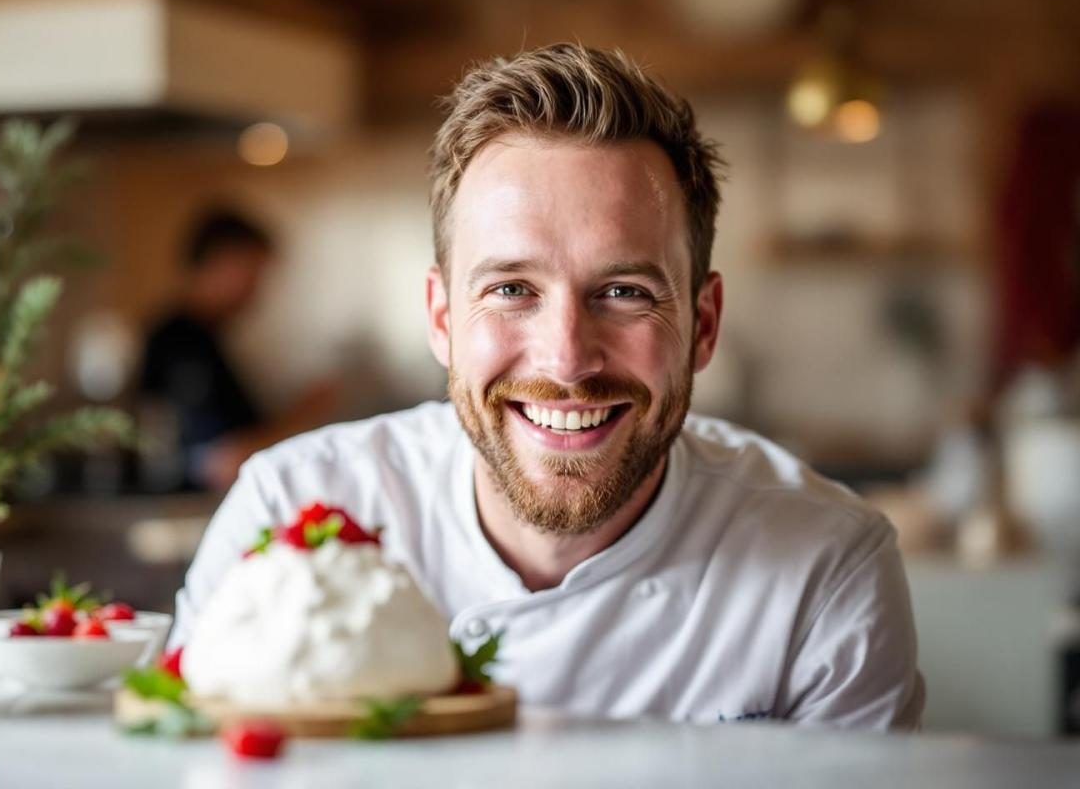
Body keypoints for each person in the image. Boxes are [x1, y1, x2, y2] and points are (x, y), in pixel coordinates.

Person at [170, 44, 925, 730]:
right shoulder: (287, 513)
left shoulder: (824, 569)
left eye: (625, 291)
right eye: (511, 290)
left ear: (702, 325)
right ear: (441, 318)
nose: (566, 361)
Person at [138, 209, 337, 492]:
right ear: (220, 263)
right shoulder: (180, 343)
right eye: (252, 273)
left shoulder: (208, 338)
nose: (256, 290)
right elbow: (220, 459)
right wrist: (304, 413)